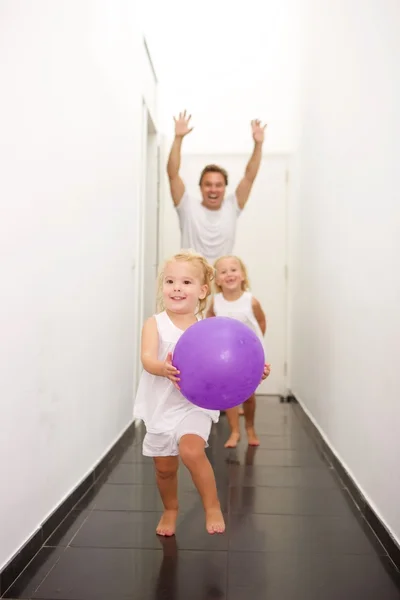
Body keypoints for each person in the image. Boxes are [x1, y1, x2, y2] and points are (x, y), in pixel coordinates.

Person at [133, 250, 224, 536]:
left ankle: (212, 506)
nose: (177, 288)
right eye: (170, 281)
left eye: (186, 282)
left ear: (202, 291)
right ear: (163, 288)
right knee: (164, 469)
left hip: (194, 405)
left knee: (191, 450)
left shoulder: (206, 328)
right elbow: (147, 359)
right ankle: (170, 509)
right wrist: (163, 368)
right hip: (161, 405)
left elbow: (223, 365)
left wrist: (252, 373)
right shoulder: (155, 323)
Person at [166, 110, 267, 263]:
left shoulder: (232, 206)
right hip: (193, 280)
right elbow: (172, 173)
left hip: (222, 281)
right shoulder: (186, 205)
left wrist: (258, 145)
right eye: (208, 185)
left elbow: (249, 177)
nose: (213, 189)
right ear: (200, 187)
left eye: (218, 185)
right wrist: (178, 138)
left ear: (225, 188)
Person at [207, 255, 270, 448]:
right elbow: (210, 323)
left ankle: (250, 427)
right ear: (217, 280)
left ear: (242, 275)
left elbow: (260, 321)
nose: (229, 274)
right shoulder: (216, 302)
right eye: (223, 272)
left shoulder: (250, 301)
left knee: (249, 396)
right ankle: (235, 431)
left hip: (249, 358)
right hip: (227, 359)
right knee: (230, 395)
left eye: (233, 270)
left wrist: (255, 344)